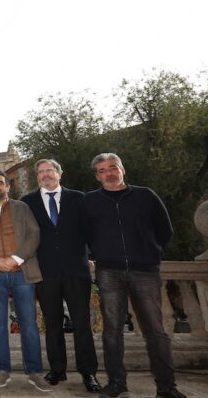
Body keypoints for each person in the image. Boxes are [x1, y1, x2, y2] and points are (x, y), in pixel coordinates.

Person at [82, 153, 185, 398]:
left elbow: (165, 230)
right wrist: (99, 253)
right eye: (103, 170)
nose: (109, 172)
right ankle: (116, 383)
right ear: (98, 176)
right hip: (109, 271)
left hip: (145, 271)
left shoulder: (146, 195)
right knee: (112, 330)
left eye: (112, 167)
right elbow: (84, 234)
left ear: (122, 169)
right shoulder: (90, 201)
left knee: (155, 330)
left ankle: (166, 387)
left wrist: (151, 253)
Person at [20, 159, 101, 393]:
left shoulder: (78, 198)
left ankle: (89, 373)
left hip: (76, 270)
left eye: (50, 170)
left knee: (82, 323)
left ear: (59, 173)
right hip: (45, 273)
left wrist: (91, 255)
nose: (46, 174)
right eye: (41, 172)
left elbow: (91, 230)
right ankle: (57, 369)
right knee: (52, 324)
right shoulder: (28, 202)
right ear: (37, 177)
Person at [0, 170, 48, 392]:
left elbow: (33, 235)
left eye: (0, 182)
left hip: (22, 272)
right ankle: (2, 369)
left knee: (29, 324)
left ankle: (34, 371)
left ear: (8, 187)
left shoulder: (22, 207)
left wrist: (15, 258)